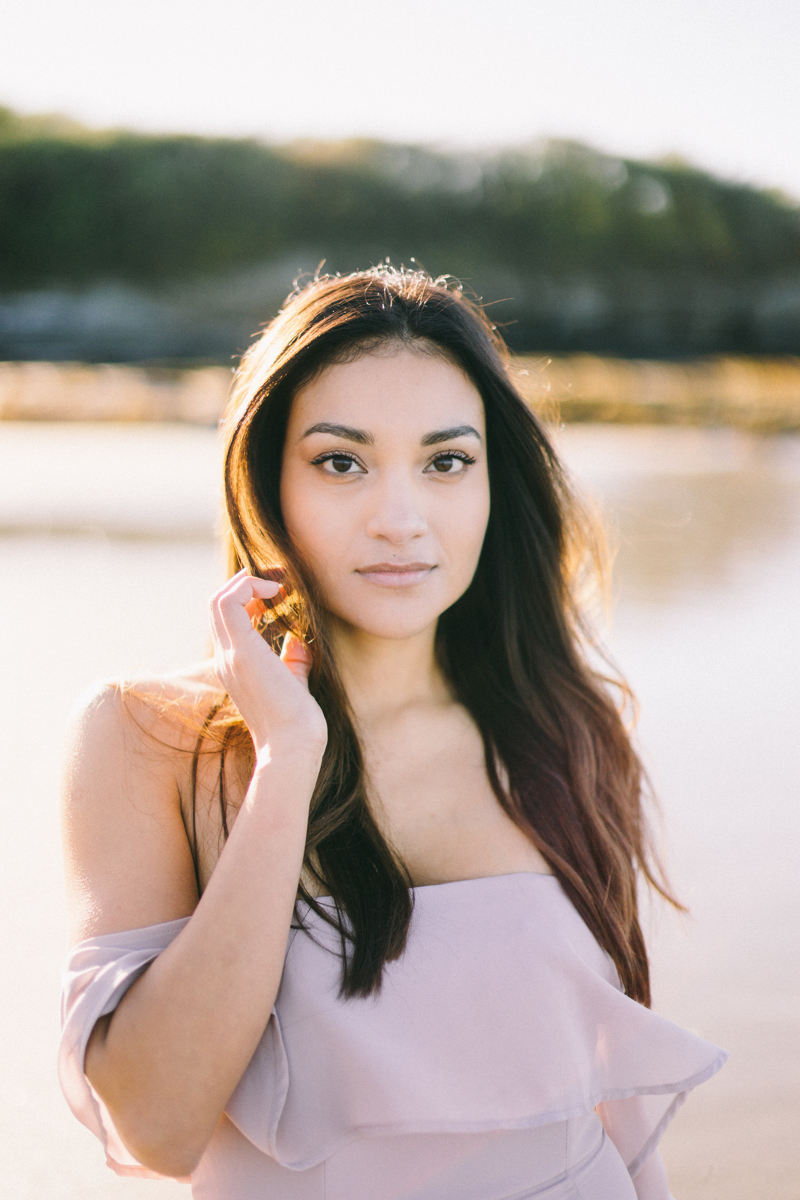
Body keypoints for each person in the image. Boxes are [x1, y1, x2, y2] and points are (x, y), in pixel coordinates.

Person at [59, 266, 726, 1200]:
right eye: (341, 461)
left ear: (495, 486)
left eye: (446, 461)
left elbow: (598, 1098)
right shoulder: (150, 738)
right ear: (269, 482)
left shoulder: (562, 721)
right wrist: (288, 762)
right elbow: (160, 1122)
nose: (401, 520)